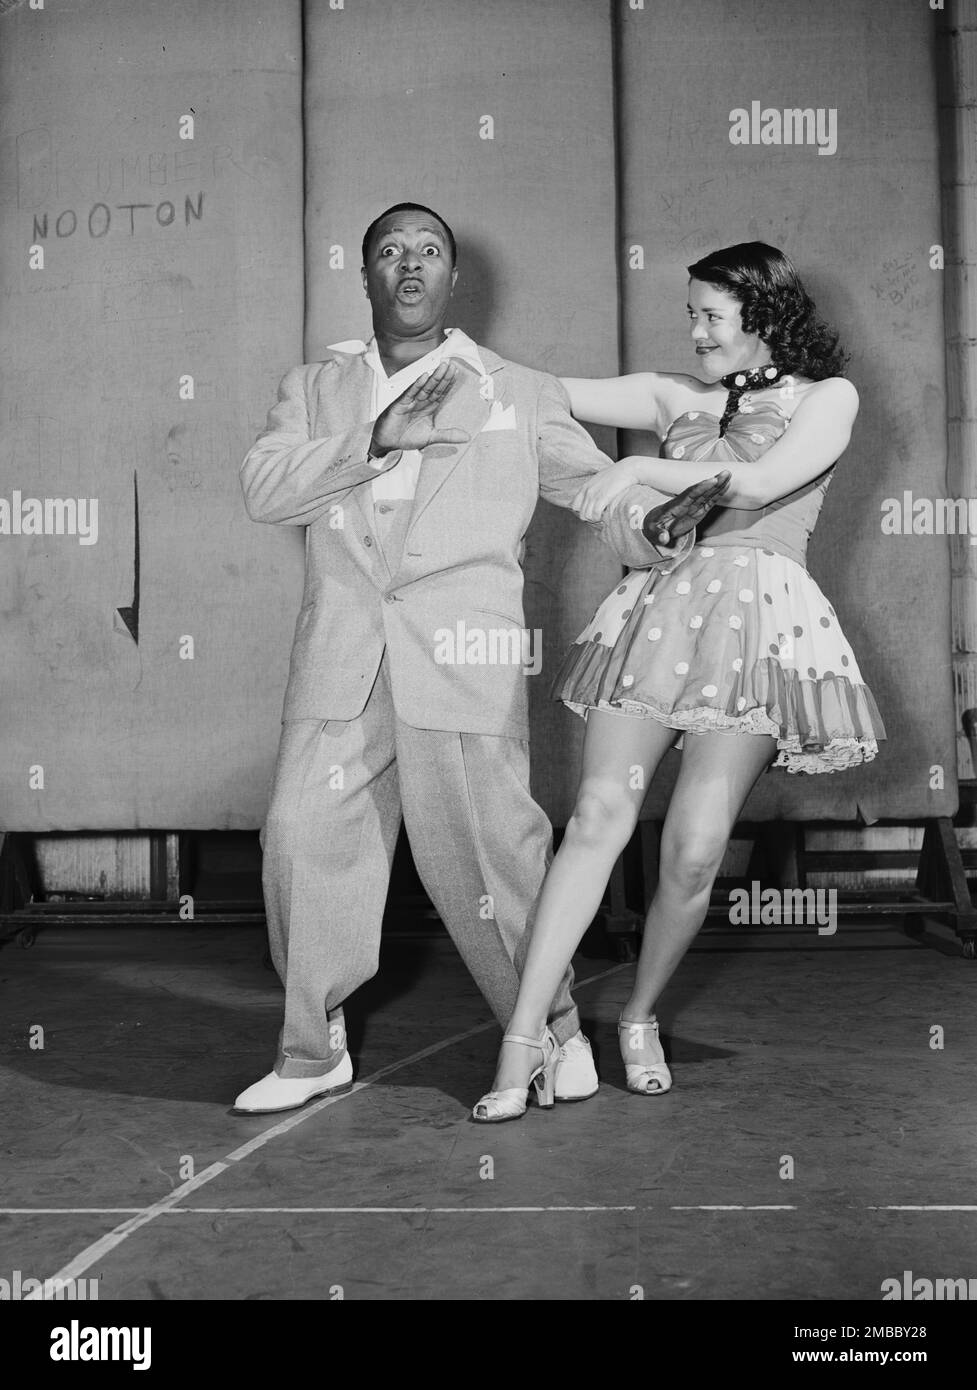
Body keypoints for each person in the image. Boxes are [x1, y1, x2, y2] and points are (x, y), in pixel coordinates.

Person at [233, 202, 728, 1115]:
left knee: (490, 860)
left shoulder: (516, 388)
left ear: (455, 277)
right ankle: (312, 1048)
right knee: (300, 838)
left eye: (428, 252)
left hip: (463, 654)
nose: (409, 267)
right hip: (342, 655)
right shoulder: (314, 387)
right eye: (390, 252)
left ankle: (551, 1031)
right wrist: (374, 441)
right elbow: (265, 486)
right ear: (367, 275)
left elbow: (594, 491)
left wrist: (650, 523)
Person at [472, 241, 886, 1123]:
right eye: (688, 313)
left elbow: (765, 481)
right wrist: (439, 355)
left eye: (710, 315)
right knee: (595, 818)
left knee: (695, 850)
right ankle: (521, 1036)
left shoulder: (827, 398)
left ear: (763, 315)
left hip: (758, 626)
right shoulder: (673, 395)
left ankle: (638, 1016)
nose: (693, 331)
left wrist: (641, 468)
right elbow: (536, 387)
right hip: (656, 622)